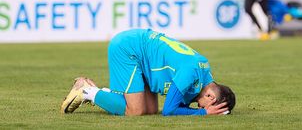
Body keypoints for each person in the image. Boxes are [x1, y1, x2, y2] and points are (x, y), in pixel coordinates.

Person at [61, 29, 236, 116]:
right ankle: (86, 91)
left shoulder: (205, 74)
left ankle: (105, 94)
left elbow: (176, 106)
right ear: (211, 97)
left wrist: (200, 111)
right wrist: (203, 114)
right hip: (129, 48)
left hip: (146, 59)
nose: (200, 106)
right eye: (208, 106)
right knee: (135, 111)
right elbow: (169, 110)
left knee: (150, 110)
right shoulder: (191, 72)